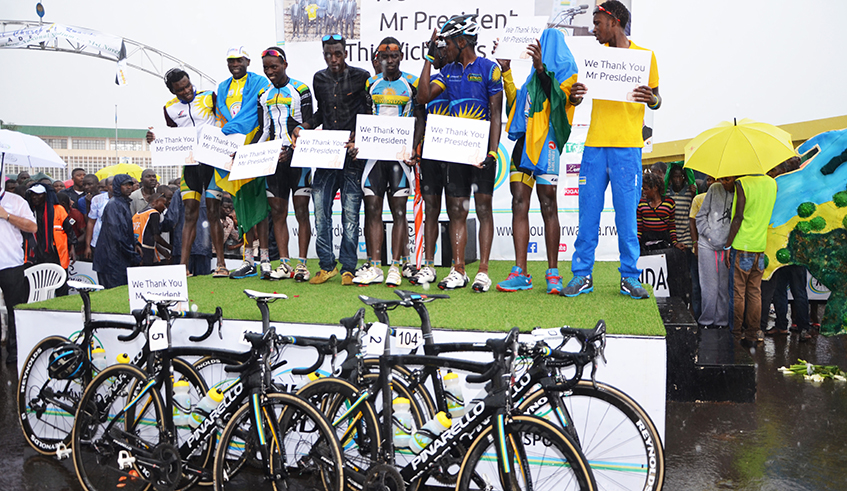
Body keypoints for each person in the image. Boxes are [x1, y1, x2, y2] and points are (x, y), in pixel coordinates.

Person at [562, 0, 660, 300]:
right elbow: (577, 98)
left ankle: (629, 277)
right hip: (593, 146)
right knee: (587, 215)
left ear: (614, 21)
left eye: (597, 23)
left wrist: (651, 99)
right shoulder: (594, 58)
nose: (594, 30)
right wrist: (575, 97)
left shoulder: (645, 57)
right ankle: (582, 276)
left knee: (627, 218)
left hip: (628, 149)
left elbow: (656, 99)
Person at [416, 14, 503, 292]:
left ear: (462, 40)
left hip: (481, 154)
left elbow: (496, 113)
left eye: (448, 43)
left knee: (483, 208)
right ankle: (458, 270)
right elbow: (423, 97)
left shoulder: (490, 69)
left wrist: (492, 152)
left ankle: (484, 271)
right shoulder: (447, 71)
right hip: (455, 151)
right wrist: (429, 59)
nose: (445, 48)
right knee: (457, 210)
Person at [495, 30, 579, 294]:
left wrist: (542, 69)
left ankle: (553, 271)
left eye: (545, 43)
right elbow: (514, 108)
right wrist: (507, 72)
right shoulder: (532, 78)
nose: (539, 47)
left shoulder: (567, 75)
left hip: (548, 146)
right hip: (523, 148)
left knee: (548, 204)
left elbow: (558, 102)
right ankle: (520, 271)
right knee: (519, 202)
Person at [293, 34, 372, 285]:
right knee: (320, 211)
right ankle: (326, 266)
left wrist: (358, 138)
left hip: (351, 156)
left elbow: (369, 114)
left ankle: (348, 267)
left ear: (345, 52)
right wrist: (302, 128)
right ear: (323, 54)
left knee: (350, 214)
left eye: (337, 53)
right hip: (326, 155)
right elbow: (321, 113)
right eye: (328, 54)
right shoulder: (319, 78)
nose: (333, 59)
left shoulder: (362, 77)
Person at [146, 68, 230, 278]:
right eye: (180, 90)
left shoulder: (209, 97)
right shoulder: (170, 108)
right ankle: (183, 267)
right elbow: (174, 136)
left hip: (212, 161)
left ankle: (221, 264)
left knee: (212, 212)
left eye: (188, 85)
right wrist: (155, 140)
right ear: (173, 91)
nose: (186, 91)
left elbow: (225, 120)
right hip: (190, 165)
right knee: (190, 213)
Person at [356, 37, 421, 287]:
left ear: (401, 57)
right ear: (378, 59)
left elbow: (420, 117)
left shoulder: (412, 82)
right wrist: (356, 140)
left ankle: (396, 265)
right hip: (374, 157)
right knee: (372, 208)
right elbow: (362, 116)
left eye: (394, 56)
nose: (390, 61)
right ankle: (375, 267)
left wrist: (415, 147)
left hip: (400, 159)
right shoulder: (371, 83)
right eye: (385, 57)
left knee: (399, 212)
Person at [252, 46, 314, 281]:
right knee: (277, 212)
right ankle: (285, 263)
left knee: (301, 211)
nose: (270, 72)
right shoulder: (263, 95)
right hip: (274, 160)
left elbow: (308, 122)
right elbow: (263, 130)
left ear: (285, 64)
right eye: (266, 68)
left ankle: (302, 264)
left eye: (274, 67)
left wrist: (292, 146)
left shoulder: (300, 89)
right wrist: (252, 154)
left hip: (299, 158)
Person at [216, 46, 272, 280]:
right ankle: (248, 260)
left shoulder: (260, 82)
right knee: (243, 205)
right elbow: (220, 117)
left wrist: (239, 133)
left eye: (239, 60)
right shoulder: (222, 87)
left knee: (262, 207)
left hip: (255, 150)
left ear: (248, 61)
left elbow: (257, 113)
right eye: (231, 61)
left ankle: (266, 259)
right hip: (232, 153)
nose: (234, 64)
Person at [408, 42, 451, 287]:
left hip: (456, 151)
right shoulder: (429, 80)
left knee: (457, 211)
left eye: (439, 51)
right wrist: (416, 146)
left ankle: (458, 267)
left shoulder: (458, 76)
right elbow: (420, 111)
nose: (436, 55)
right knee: (431, 208)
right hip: (431, 152)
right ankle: (429, 265)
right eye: (433, 51)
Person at [723, 172, 777, 348]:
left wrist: (728, 244)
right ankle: (753, 333)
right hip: (760, 247)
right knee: (755, 292)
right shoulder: (771, 183)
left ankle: (735, 333)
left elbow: (738, 216)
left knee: (738, 293)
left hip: (742, 246)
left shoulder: (742, 183)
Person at [0, 178, 37, 364]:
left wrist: (7, 216)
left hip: (11, 264)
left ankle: (15, 351)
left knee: (15, 308)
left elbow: (32, 227)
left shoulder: (16, 201)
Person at [696, 176, 735, 328]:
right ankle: (706, 321)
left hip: (728, 246)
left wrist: (729, 243)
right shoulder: (714, 189)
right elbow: (700, 217)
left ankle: (722, 321)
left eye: (728, 179)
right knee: (708, 286)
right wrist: (709, 235)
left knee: (724, 286)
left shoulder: (741, 192)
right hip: (707, 243)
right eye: (722, 179)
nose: (724, 183)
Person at [93, 174, 141, 289]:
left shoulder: (123, 203)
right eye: (125, 185)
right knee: (112, 293)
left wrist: (135, 243)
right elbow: (117, 235)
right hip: (110, 259)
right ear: (117, 186)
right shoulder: (114, 205)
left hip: (117, 257)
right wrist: (132, 255)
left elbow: (126, 230)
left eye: (130, 184)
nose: (129, 187)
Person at [665, 162, 697, 310]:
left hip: (687, 239)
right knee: (675, 275)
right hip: (673, 240)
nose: (678, 179)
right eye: (675, 176)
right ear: (671, 178)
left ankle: (689, 305)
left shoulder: (690, 193)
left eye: (680, 177)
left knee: (688, 276)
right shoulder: (666, 193)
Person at [636, 172, 677, 252]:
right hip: (646, 245)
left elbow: (671, 226)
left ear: (655, 188)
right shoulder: (641, 204)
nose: (644, 192)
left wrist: (675, 243)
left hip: (664, 245)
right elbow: (639, 227)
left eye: (646, 189)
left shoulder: (669, 203)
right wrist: (636, 244)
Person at [133, 192, 169, 266]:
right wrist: (170, 247)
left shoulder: (137, 214)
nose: (165, 208)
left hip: (136, 249)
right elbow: (156, 237)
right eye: (164, 204)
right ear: (154, 202)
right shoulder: (154, 213)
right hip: (146, 251)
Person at [83, 176, 111, 260]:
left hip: (117, 244)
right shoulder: (97, 199)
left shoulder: (125, 200)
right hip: (98, 242)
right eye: (111, 184)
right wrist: (88, 246)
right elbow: (91, 222)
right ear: (106, 186)